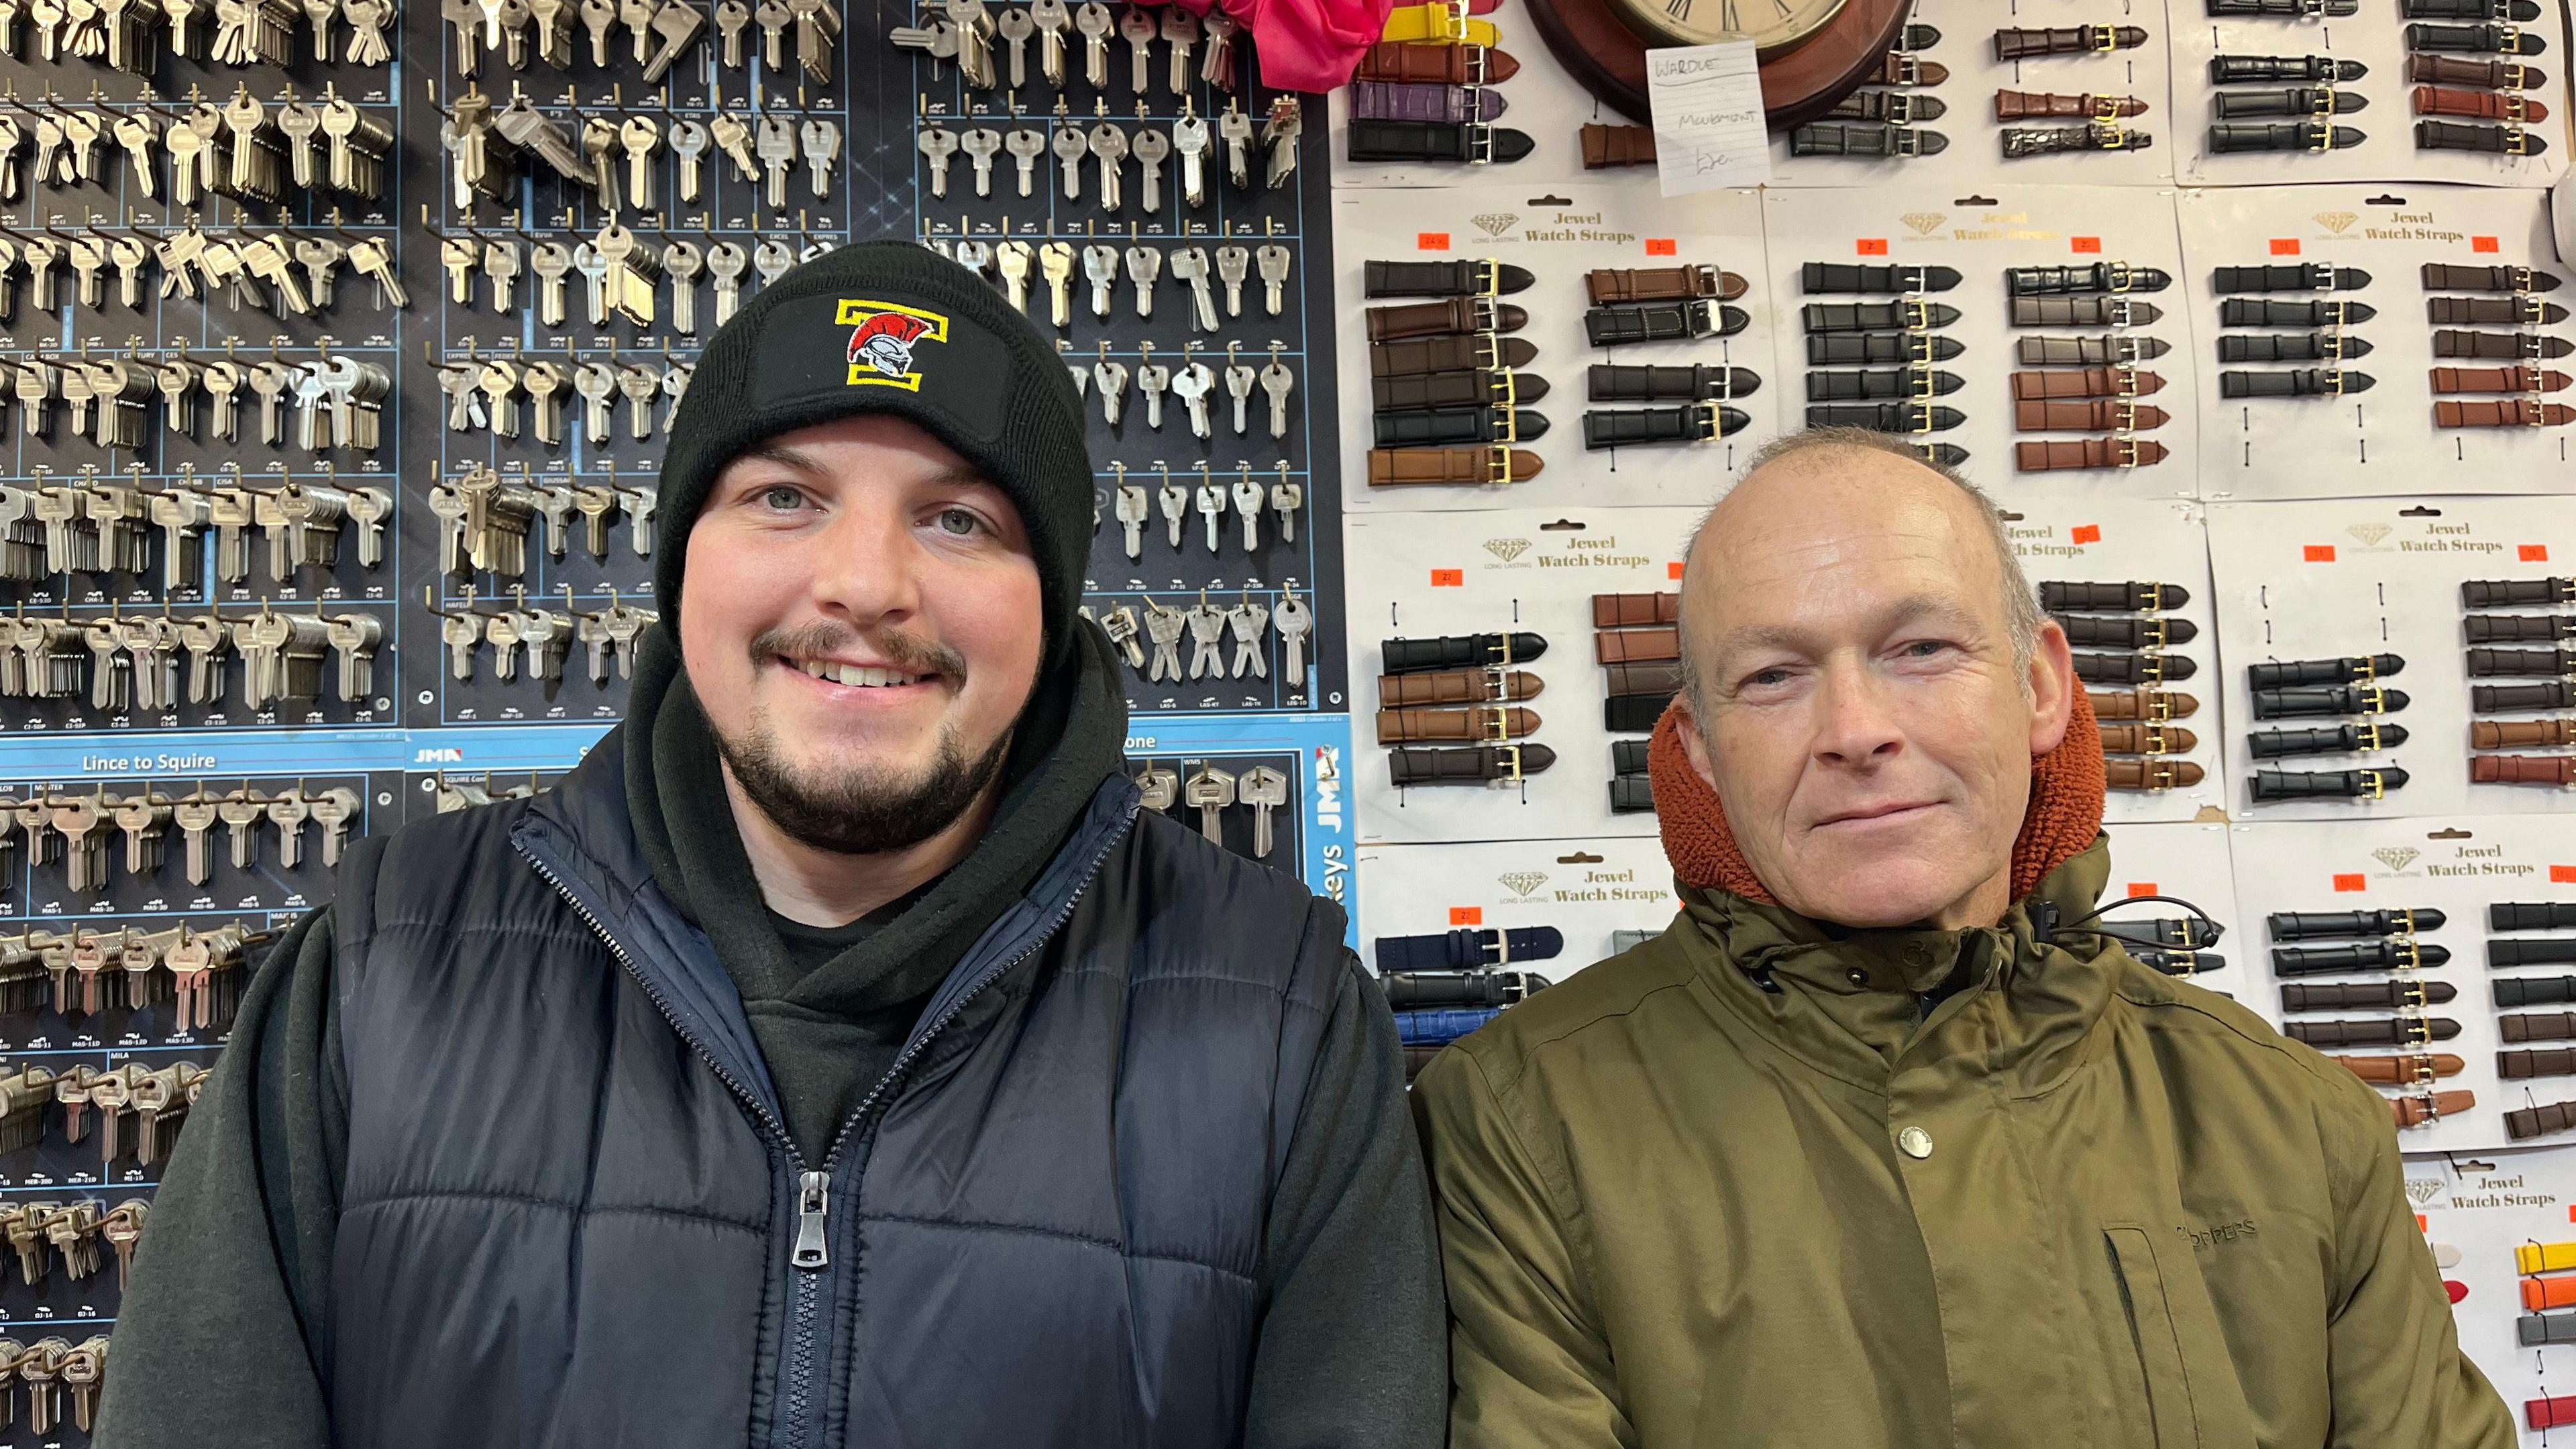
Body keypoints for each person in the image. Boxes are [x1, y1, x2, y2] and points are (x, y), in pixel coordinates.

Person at [96, 242, 1445, 1449]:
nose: (864, 583)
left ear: (1057, 605)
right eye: (785, 499)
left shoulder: (1288, 1029)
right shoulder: (375, 980)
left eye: (959, 516)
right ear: (682, 562)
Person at [1410, 427, 2514, 1447]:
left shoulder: (2300, 1126)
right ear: (1699, 749)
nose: (1855, 731)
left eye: (1921, 648)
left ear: (2040, 687)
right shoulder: (1520, 1121)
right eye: (1774, 677)